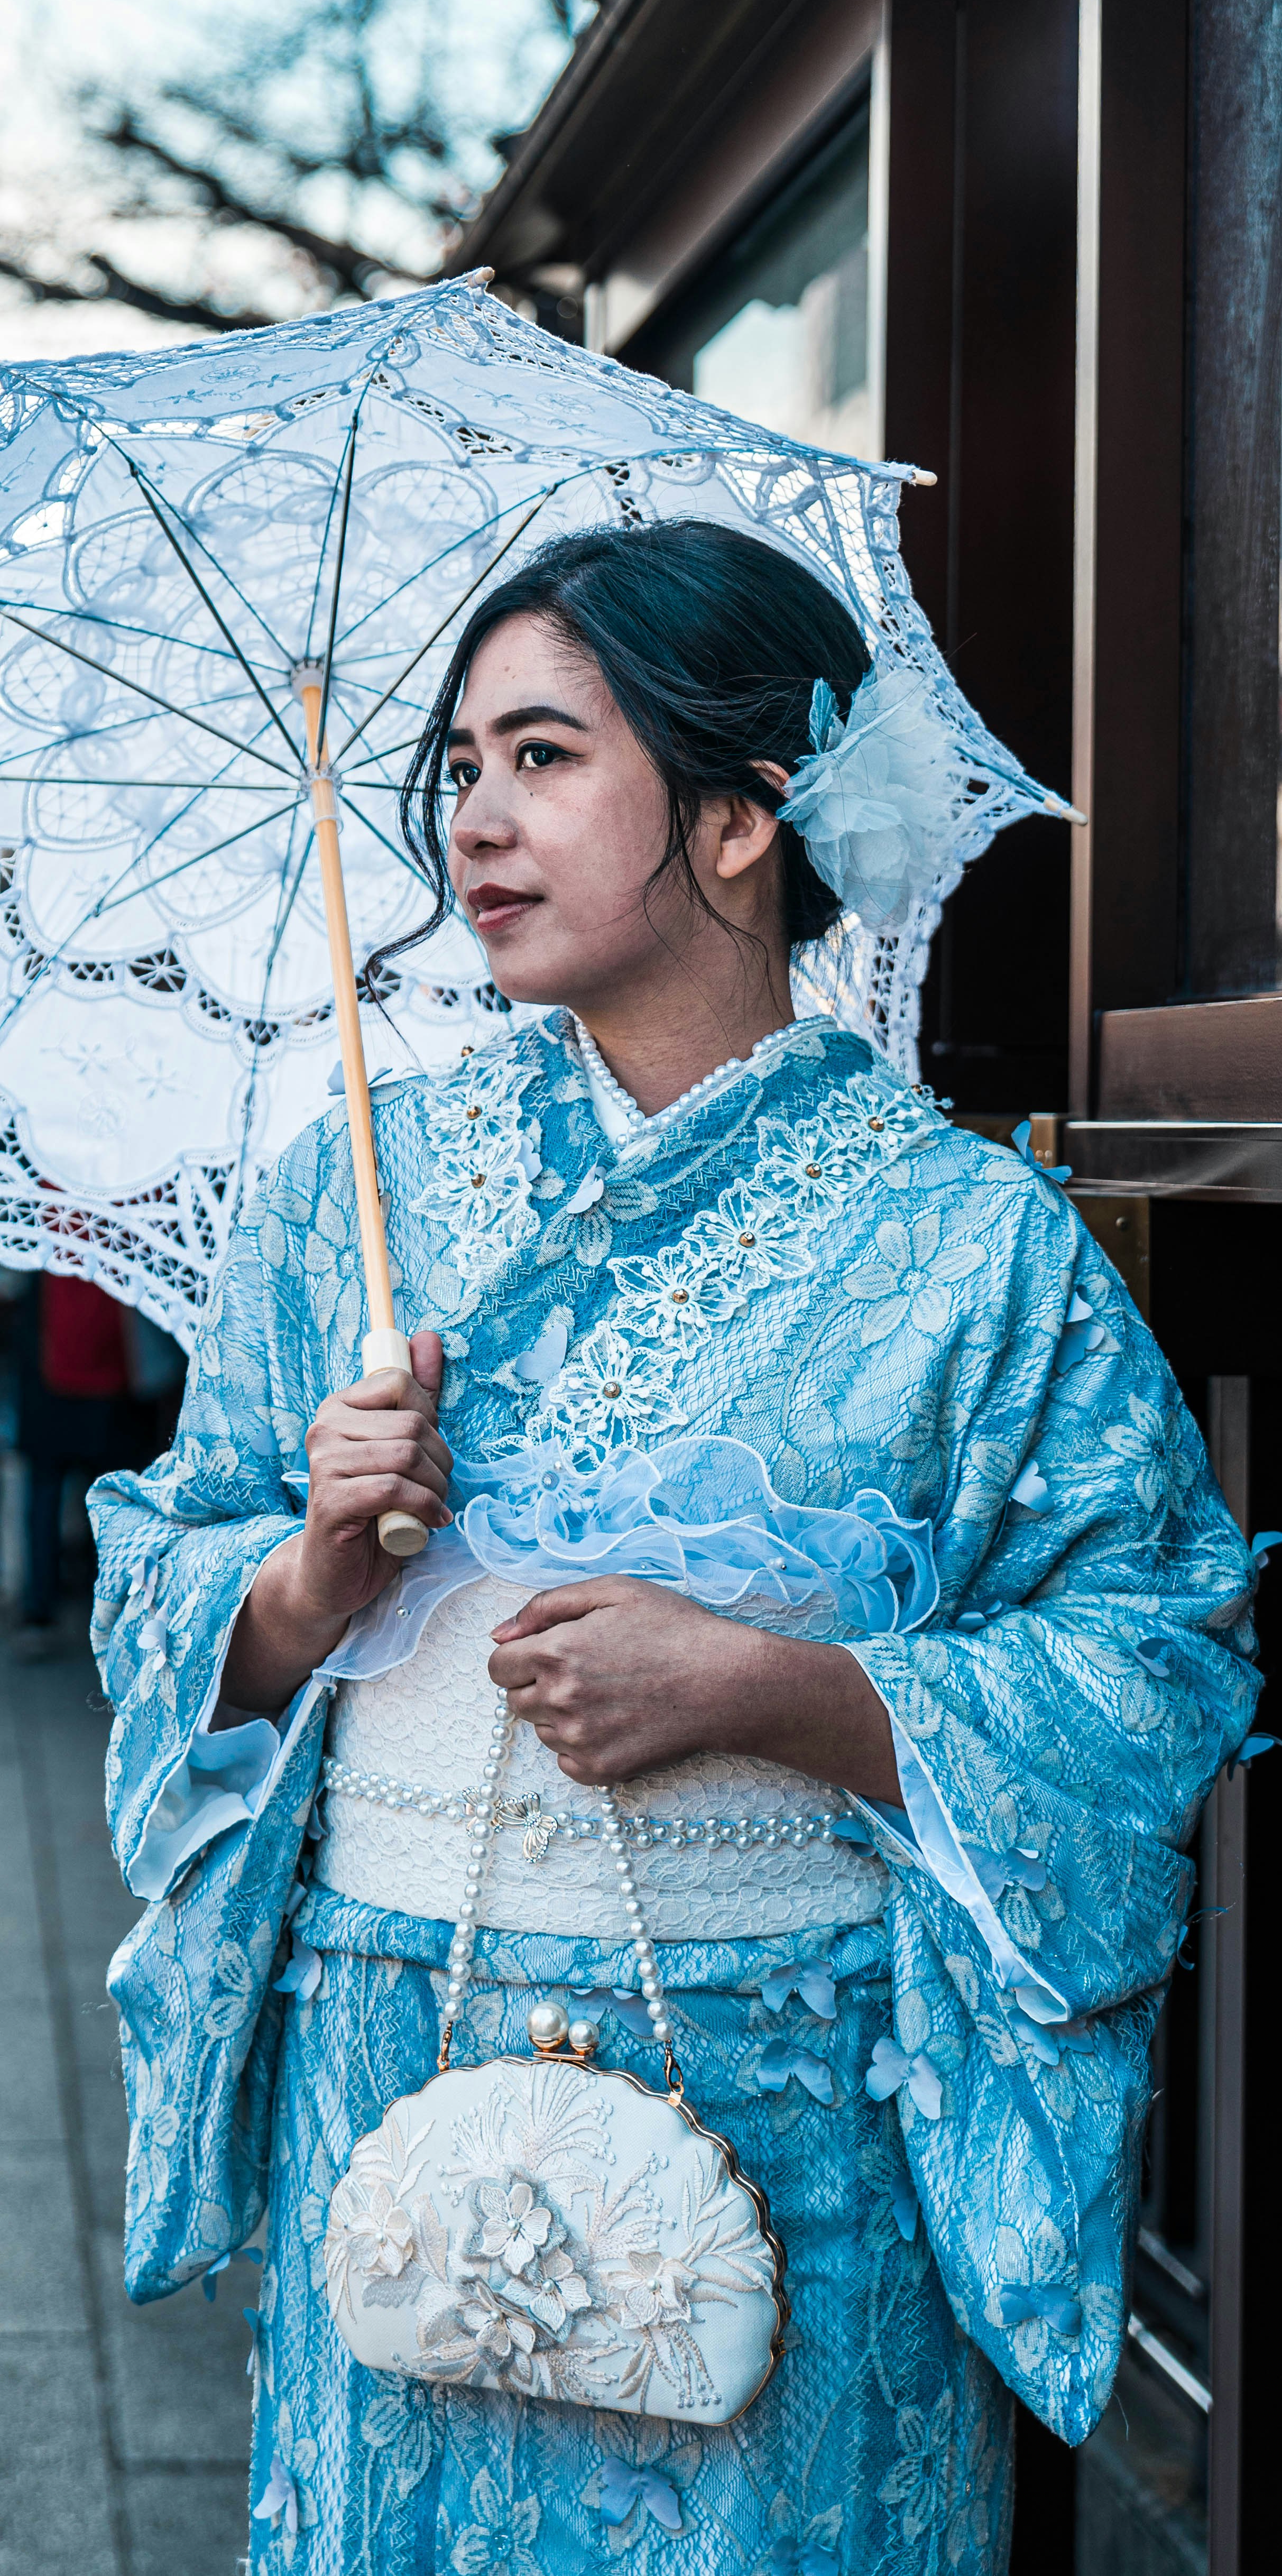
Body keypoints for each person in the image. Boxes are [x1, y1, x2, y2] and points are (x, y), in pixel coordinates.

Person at [88, 523, 1259, 2571]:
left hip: (784, 2067)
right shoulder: (342, 1195)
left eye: (543, 756)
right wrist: (312, 1577)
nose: (472, 821)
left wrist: (778, 1693)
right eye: (457, 766)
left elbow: (1156, 1645)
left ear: (741, 820)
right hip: (400, 2026)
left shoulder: (965, 1237)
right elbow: (172, 1579)